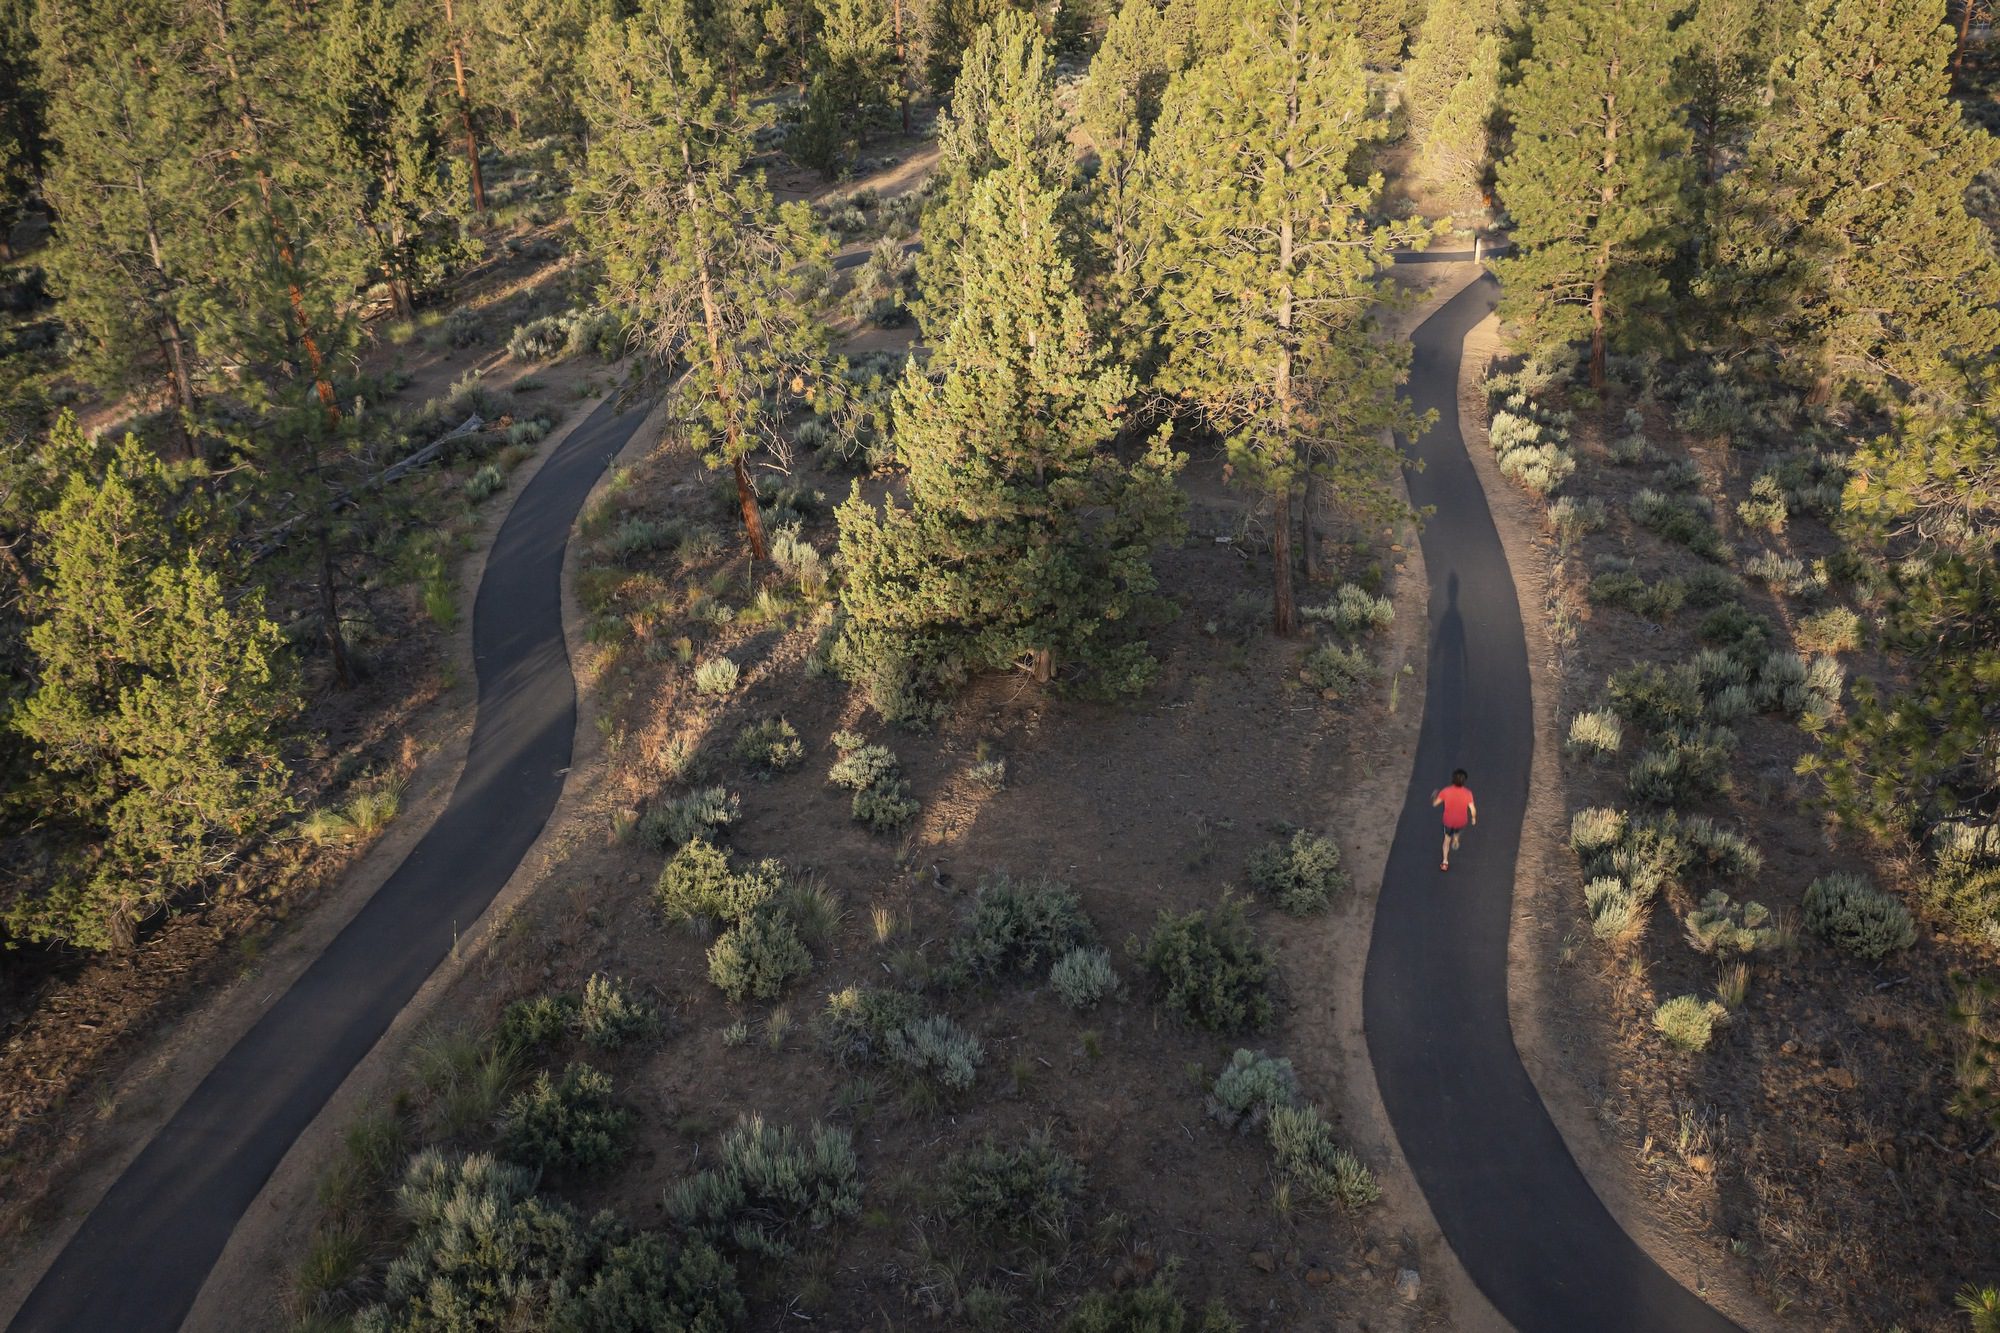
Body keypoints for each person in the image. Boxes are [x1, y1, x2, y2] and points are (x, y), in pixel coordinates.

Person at [1432, 769, 1477, 871]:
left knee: (1446, 840)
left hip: (1448, 821)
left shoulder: (1445, 791)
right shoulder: (1468, 793)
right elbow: (1472, 809)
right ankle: (1456, 839)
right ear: (1464, 781)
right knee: (1458, 830)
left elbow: (1435, 804)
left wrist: (1435, 796)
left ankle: (1445, 862)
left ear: (1453, 779)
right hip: (1461, 821)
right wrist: (1473, 818)